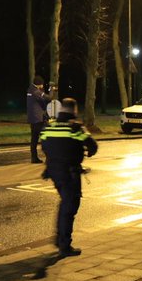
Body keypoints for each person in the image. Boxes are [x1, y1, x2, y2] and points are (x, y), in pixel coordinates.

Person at [39, 97, 97, 257]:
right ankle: (64, 245)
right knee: (70, 206)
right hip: (70, 173)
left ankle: (60, 239)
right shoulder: (75, 128)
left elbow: (44, 145)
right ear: (74, 110)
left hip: (54, 172)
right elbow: (92, 146)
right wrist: (87, 152)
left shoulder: (49, 127)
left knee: (65, 203)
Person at [26, 76, 49, 163]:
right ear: (39, 84)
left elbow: (40, 102)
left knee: (34, 139)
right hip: (38, 119)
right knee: (45, 138)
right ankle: (49, 158)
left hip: (32, 119)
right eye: (42, 84)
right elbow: (48, 98)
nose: (42, 86)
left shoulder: (30, 90)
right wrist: (52, 90)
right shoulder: (37, 92)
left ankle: (34, 158)